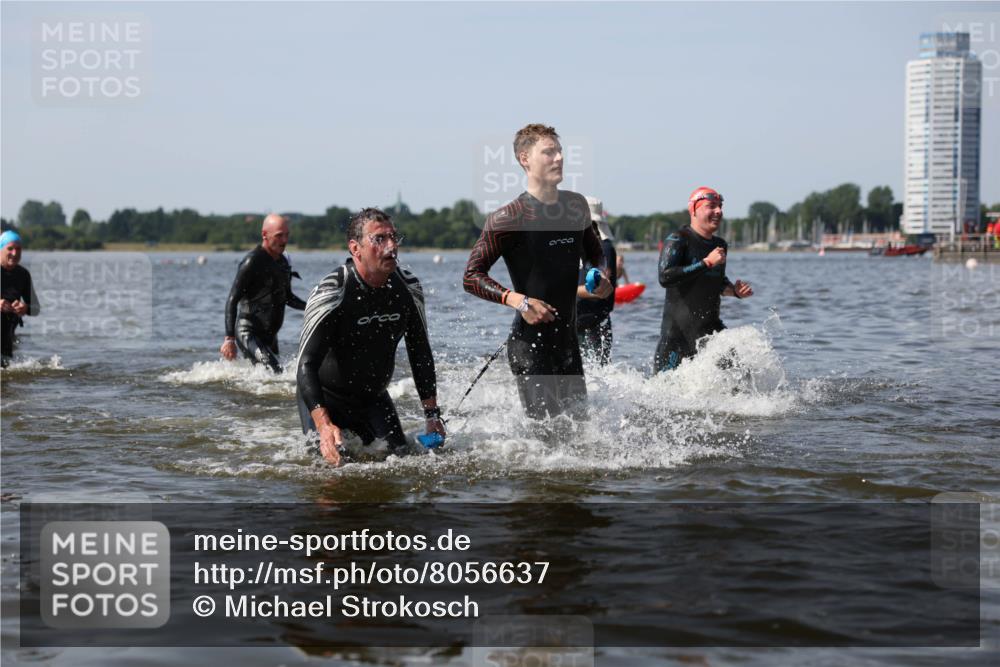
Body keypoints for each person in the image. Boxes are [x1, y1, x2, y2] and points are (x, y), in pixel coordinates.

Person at [464, 124, 611, 418]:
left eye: (560, 151)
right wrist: (518, 300)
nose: (559, 158)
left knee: (580, 435)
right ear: (524, 158)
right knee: (546, 445)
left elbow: (595, 253)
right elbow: (471, 275)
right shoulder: (507, 217)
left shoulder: (575, 206)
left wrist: (601, 274)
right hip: (530, 346)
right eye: (549, 152)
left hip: (568, 344)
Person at [296, 208, 445, 467]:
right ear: (356, 248)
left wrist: (432, 415)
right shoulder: (332, 292)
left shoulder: (408, 288)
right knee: (330, 471)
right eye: (379, 239)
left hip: (373, 397)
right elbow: (305, 364)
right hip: (327, 398)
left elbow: (419, 352)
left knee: (404, 463)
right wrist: (323, 424)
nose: (392, 246)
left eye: (393, 237)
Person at [653, 187, 754, 373]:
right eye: (711, 206)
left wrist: (734, 291)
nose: (718, 211)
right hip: (677, 337)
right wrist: (706, 262)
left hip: (710, 334)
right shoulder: (677, 239)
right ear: (693, 210)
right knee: (660, 396)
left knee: (743, 380)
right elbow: (665, 277)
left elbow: (715, 281)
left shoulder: (719, 245)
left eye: (720, 206)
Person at [220, 213, 306, 373]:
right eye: (279, 236)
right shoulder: (252, 261)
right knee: (276, 373)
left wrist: (312, 307)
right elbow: (232, 299)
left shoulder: (283, 261)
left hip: (271, 335)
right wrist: (229, 339)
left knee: (275, 374)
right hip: (248, 332)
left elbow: (288, 297)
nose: (284, 241)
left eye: (287, 235)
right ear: (264, 235)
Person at [576, 196, 617, 365]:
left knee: (596, 375)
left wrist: (561, 291)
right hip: (575, 321)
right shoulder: (574, 245)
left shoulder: (605, 248)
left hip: (594, 323)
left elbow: (600, 290)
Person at [0, 230, 39, 367]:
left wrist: (25, 307)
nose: (14, 253)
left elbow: (36, 309)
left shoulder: (23, 275)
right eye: (10, 248)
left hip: (6, 337)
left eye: (18, 249)